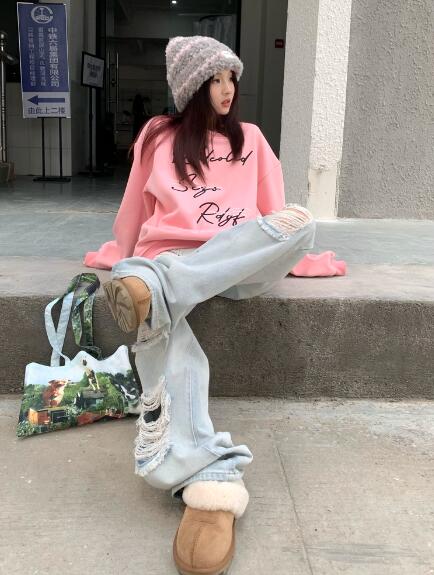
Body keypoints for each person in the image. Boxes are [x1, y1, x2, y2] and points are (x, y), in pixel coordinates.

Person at [84, 35, 316, 575]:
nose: (228, 89)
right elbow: (134, 206)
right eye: (215, 79)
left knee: (300, 223)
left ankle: (160, 288)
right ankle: (210, 482)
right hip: (165, 255)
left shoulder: (251, 139)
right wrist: (121, 255)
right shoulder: (158, 135)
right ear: (191, 87)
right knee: (151, 297)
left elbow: (271, 217)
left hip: (229, 263)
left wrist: (285, 255)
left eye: (232, 77)